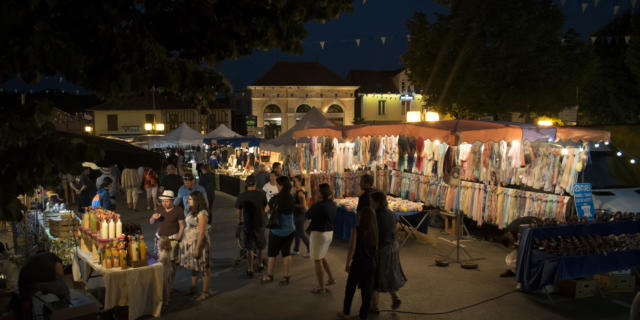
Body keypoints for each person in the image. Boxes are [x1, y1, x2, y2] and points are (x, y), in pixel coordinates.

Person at [338, 207, 378, 320]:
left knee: (350, 288)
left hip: (358, 263)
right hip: (371, 264)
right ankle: (362, 316)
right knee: (366, 292)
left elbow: (352, 248)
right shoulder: (375, 231)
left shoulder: (356, 230)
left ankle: (346, 312)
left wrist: (347, 263)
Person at [370, 191, 406, 312]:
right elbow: (397, 227)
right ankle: (395, 296)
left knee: (375, 277)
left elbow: (374, 234)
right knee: (389, 273)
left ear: (377, 202)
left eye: (372, 201)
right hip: (393, 246)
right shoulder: (390, 213)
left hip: (383, 249)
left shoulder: (376, 215)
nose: (370, 203)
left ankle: (374, 307)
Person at [261, 176, 296, 285]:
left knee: (272, 254)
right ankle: (286, 277)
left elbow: (266, 210)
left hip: (277, 231)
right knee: (286, 253)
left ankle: (270, 276)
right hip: (290, 230)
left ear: (280, 186)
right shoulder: (291, 198)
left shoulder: (275, 199)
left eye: (277, 184)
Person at [179, 191, 212, 301]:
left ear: (196, 200)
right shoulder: (191, 210)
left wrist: (197, 247)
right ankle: (193, 287)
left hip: (199, 242)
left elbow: (202, 231)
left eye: (190, 199)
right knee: (194, 265)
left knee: (203, 267)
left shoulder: (202, 213)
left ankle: (205, 292)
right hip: (190, 241)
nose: (188, 201)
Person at [235, 175, 268, 278]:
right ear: (255, 184)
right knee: (260, 246)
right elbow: (266, 207)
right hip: (260, 223)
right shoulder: (261, 194)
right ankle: (261, 264)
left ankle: (250, 269)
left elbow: (238, 210)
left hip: (248, 225)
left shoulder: (242, 195)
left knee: (249, 248)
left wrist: (240, 220)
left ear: (246, 184)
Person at [306, 183, 336, 295]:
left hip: (319, 233)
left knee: (317, 260)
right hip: (329, 233)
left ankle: (321, 287)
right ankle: (331, 278)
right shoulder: (333, 204)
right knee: (322, 256)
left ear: (320, 193)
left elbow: (307, 215)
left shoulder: (318, 205)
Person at [150, 190, 185, 267]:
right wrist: (153, 217)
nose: (164, 203)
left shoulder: (178, 210)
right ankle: (163, 278)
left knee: (172, 262)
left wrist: (178, 239)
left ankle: (170, 278)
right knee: (159, 261)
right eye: (163, 201)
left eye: (167, 201)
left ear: (172, 201)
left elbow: (182, 225)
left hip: (172, 240)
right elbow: (151, 222)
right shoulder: (159, 208)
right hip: (160, 239)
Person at [291, 175, 310, 257]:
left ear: (299, 181)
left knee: (301, 233)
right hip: (299, 214)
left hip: (300, 215)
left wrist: (293, 205)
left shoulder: (300, 192)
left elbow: (303, 205)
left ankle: (310, 249)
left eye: (294, 181)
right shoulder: (299, 190)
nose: (293, 183)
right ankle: (296, 249)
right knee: (297, 233)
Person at [158, 236, 174, 308]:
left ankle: (166, 300)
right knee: (167, 284)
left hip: (165, 271)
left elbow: (160, 262)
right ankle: (167, 298)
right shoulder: (166, 251)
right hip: (168, 269)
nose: (158, 243)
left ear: (162, 245)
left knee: (165, 286)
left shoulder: (164, 254)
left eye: (159, 243)